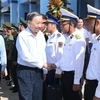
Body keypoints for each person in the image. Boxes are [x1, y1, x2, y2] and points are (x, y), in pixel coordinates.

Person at [51, 8, 86, 100]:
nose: (61, 26)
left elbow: (79, 62)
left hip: (73, 76)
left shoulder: (78, 39)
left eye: (63, 24)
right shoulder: (68, 38)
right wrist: (55, 65)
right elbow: (65, 58)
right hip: (65, 75)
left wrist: (76, 81)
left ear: (71, 24)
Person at [16, 12, 50, 100]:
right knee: (26, 97)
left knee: (37, 97)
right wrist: (43, 64)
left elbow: (43, 53)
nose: (40, 26)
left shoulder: (41, 35)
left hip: (39, 72)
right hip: (26, 72)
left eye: (41, 23)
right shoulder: (22, 36)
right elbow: (25, 56)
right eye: (37, 23)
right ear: (29, 23)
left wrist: (45, 71)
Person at [84, 4, 100, 100]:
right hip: (90, 85)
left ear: (97, 22)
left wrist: (98, 94)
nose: (87, 26)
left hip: (96, 86)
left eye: (89, 23)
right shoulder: (96, 39)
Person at [45, 13, 65, 85]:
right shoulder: (50, 37)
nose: (46, 26)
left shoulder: (59, 38)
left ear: (54, 25)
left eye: (48, 24)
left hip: (55, 70)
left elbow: (60, 55)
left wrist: (58, 71)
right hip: (48, 69)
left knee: (54, 94)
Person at [10, 23, 19, 93]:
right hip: (13, 58)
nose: (11, 30)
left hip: (15, 59)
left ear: (15, 30)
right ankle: (16, 86)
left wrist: (15, 59)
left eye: (12, 29)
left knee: (15, 74)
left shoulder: (18, 37)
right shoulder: (15, 37)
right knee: (13, 73)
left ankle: (17, 87)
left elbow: (17, 50)